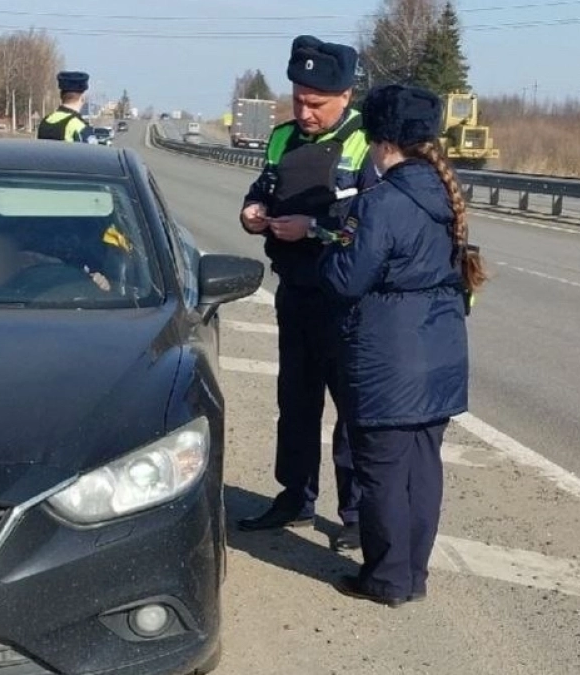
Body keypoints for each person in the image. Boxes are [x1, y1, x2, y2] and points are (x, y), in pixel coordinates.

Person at [318, 84, 488, 607]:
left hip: (389, 361)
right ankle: (413, 574)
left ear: (380, 141)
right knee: (423, 468)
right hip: (440, 355)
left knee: (383, 474)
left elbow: (346, 279)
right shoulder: (445, 193)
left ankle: (388, 580)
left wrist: (328, 246)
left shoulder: (382, 203)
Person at [236, 35, 378, 551]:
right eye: (298, 99)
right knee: (295, 402)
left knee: (352, 411)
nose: (305, 111)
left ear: (346, 97)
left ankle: (358, 515)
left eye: (316, 103)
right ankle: (294, 495)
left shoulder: (370, 141)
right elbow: (264, 187)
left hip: (346, 298)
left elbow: (374, 226)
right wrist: (252, 213)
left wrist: (314, 229)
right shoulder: (281, 138)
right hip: (294, 290)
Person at [37, 71, 97, 143]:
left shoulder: (45, 121)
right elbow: (92, 153)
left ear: (61, 96)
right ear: (83, 97)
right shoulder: (79, 126)